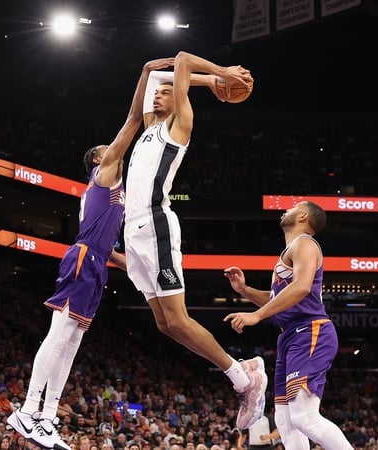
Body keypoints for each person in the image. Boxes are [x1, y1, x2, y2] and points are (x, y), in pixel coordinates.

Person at [6, 56, 176, 450]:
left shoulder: (112, 193)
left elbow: (112, 248)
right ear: (99, 161)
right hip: (83, 258)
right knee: (59, 333)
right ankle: (29, 409)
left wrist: (133, 264)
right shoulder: (104, 173)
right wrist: (146, 74)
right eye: (109, 149)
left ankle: (47, 417)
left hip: (97, 260)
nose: (115, 150)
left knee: (71, 342)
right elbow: (133, 121)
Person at [123, 50, 264, 430]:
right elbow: (152, 76)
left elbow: (183, 59)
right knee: (165, 325)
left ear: (179, 98)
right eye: (158, 95)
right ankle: (241, 373)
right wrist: (213, 82)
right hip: (133, 228)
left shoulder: (179, 124)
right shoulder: (151, 123)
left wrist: (222, 72)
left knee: (179, 319)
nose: (158, 96)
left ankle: (244, 375)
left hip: (156, 223)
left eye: (167, 94)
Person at [223, 201, 352, 450]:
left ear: (303, 216)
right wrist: (244, 290)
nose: (286, 210)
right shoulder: (292, 249)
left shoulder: (305, 243)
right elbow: (278, 298)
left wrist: (257, 316)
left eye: (293, 207)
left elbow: (301, 287)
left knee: (305, 418)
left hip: (310, 330)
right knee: (285, 420)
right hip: (291, 336)